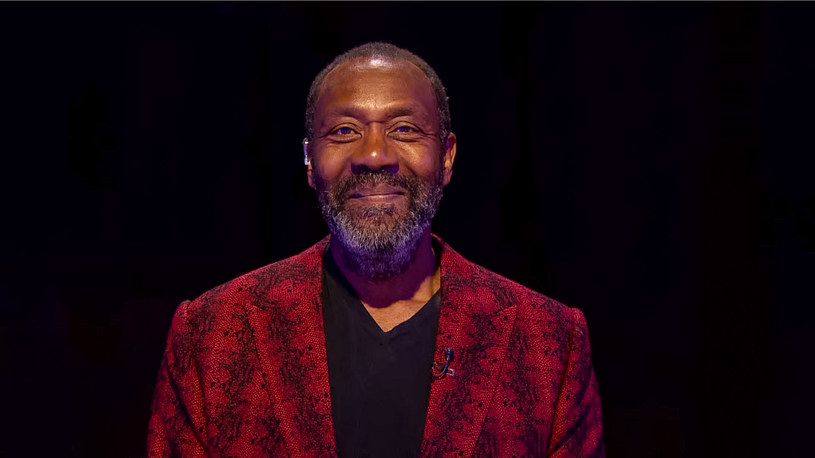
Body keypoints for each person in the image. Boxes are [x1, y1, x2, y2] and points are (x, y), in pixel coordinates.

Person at [148, 42, 605, 457]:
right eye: (344, 131)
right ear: (309, 161)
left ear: (446, 156)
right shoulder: (212, 332)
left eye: (404, 128)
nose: (373, 155)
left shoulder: (549, 341)